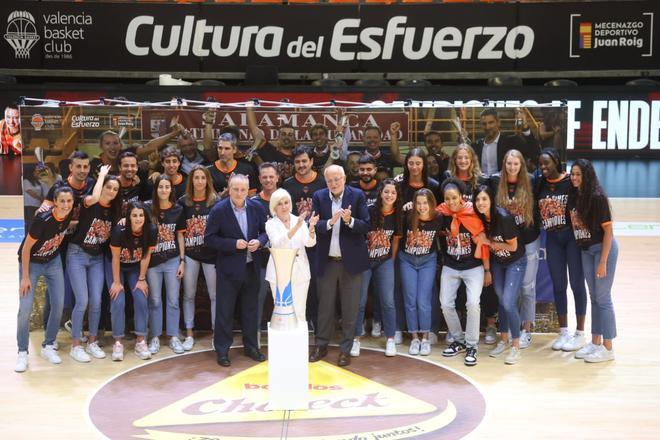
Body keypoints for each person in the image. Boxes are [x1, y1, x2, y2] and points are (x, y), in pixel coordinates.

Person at [204, 174, 269, 367]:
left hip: (252, 267)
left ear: (248, 190)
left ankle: (251, 347)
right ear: (229, 189)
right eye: (235, 189)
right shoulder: (219, 210)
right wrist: (233, 244)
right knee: (225, 311)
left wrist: (260, 241)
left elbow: (267, 231)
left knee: (250, 310)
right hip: (228, 270)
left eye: (243, 190)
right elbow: (209, 239)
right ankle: (222, 350)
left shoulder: (257, 207)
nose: (239, 193)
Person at [310, 165, 370, 367]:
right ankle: (321, 345)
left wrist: (349, 220)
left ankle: (345, 349)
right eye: (329, 180)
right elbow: (315, 226)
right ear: (325, 181)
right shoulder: (318, 196)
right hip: (327, 261)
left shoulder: (358, 195)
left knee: (350, 309)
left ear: (344, 178)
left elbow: (366, 225)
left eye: (337, 179)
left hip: (351, 262)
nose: (333, 184)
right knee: (324, 307)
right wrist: (329, 223)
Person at [15, 187, 74, 372]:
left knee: (58, 304)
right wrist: (25, 277)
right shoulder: (42, 219)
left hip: (53, 261)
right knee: (25, 308)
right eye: (62, 201)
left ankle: (48, 346)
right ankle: (22, 352)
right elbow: (25, 249)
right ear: (54, 202)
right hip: (31, 263)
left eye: (69, 201)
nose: (66, 205)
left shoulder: (68, 215)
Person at [442, 144, 496, 342]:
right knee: (457, 294)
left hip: (478, 238)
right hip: (457, 243)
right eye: (459, 158)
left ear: (472, 160)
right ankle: (457, 329)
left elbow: (487, 205)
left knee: (485, 289)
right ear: (454, 160)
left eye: (467, 158)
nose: (463, 161)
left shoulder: (481, 181)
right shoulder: (448, 180)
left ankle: (490, 325)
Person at [67, 166, 121, 363]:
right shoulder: (90, 201)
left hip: (97, 257)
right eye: (109, 188)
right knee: (82, 301)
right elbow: (95, 197)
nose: (112, 192)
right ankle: (75, 345)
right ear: (102, 187)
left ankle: (92, 341)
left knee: (97, 301)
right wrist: (102, 176)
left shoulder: (114, 212)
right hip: (78, 254)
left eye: (115, 190)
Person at [536, 148, 587, 351]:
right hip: (553, 239)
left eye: (546, 163)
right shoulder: (540, 183)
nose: (543, 167)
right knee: (558, 285)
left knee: (576, 283)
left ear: (556, 162)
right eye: (540, 164)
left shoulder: (570, 182)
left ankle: (580, 333)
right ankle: (563, 331)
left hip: (572, 237)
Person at [568, 159, 618, 363]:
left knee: (603, 297)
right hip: (586, 250)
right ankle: (595, 342)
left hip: (602, 250)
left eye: (579, 174)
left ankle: (608, 347)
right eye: (572, 174)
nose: (574, 178)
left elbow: (608, 232)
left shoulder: (597, 198)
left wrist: (603, 261)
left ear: (587, 175)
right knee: (594, 296)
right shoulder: (575, 196)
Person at [436, 178, 490, 367]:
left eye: (454, 198)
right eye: (447, 198)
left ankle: (472, 345)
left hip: (473, 266)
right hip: (450, 265)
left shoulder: (472, 213)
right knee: (445, 303)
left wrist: (487, 269)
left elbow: (483, 243)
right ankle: (458, 340)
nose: (451, 202)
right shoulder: (440, 213)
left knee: (473, 303)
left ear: (461, 197)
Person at [492, 149, 540, 348]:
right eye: (509, 164)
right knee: (507, 294)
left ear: (521, 165)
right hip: (507, 243)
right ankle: (509, 331)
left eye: (516, 164)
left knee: (527, 288)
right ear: (504, 164)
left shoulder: (531, 181)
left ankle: (526, 329)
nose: (512, 167)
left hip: (528, 240)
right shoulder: (495, 182)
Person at [473, 185, 527, 365]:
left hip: (515, 261)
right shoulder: (480, 219)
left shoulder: (503, 218)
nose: (481, 203)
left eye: (484, 199)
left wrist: (489, 242)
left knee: (508, 302)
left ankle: (516, 346)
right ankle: (503, 340)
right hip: (498, 263)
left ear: (491, 201)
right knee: (501, 301)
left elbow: (512, 247)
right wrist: (487, 268)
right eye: (478, 199)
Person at [352, 179, 402, 358]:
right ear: (381, 193)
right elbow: (359, 234)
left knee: (388, 301)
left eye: (393, 193)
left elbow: (395, 239)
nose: (390, 195)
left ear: (397, 196)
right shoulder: (370, 211)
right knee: (360, 301)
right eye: (386, 192)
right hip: (365, 261)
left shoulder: (397, 215)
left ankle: (390, 338)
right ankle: (356, 338)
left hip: (384, 260)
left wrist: (390, 259)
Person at [107, 201, 157, 362]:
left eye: (141, 215)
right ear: (128, 217)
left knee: (141, 298)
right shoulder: (119, 230)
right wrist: (116, 282)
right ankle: (118, 342)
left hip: (135, 267)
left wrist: (142, 279)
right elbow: (115, 257)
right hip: (117, 267)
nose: (138, 218)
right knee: (118, 299)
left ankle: (140, 341)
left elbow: (146, 255)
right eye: (134, 215)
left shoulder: (151, 230)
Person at [179, 166, 219, 351]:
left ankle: (215, 333)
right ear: (191, 180)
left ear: (208, 180)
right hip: (190, 254)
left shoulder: (215, 202)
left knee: (214, 295)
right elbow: (179, 231)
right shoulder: (183, 202)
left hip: (211, 254)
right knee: (189, 294)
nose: (200, 181)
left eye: (203, 177)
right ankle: (189, 333)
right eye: (196, 177)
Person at [145, 175, 186, 355]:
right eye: (160, 187)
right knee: (154, 300)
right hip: (153, 262)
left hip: (172, 259)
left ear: (171, 189)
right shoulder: (147, 208)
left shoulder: (177, 209)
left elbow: (180, 236)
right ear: (156, 190)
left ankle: (173, 336)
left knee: (173, 300)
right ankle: (154, 336)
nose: (163, 190)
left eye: (166, 187)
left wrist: (182, 261)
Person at [399, 188, 441, 357]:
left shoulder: (438, 217)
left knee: (423, 300)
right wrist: (403, 208)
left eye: (426, 203)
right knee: (410, 299)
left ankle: (425, 338)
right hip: (407, 260)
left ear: (431, 203)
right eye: (419, 203)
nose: (422, 207)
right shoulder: (408, 216)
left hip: (427, 261)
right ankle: (414, 338)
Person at [265, 189, 318, 322]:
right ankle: (283, 343)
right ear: (274, 207)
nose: (284, 207)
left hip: (301, 271)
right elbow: (278, 244)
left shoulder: (298, 220)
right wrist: (296, 227)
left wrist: (311, 228)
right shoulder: (270, 224)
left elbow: (310, 243)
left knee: (300, 311)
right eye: (280, 203)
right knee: (282, 312)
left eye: (286, 202)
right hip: (279, 272)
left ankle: (298, 343)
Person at [251, 163, 279, 332]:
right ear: (260, 179)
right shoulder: (253, 202)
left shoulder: (285, 199)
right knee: (258, 298)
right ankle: (254, 340)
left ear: (277, 178)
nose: (268, 180)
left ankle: (283, 336)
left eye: (271, 176)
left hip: (283, 259)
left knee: (282, 301)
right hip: (261, 260)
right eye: (264, 177)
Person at [474, 108, 540, 175]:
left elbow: (534, 152)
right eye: (484, 124)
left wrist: (525, 128)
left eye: (491, 122)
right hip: (483, 184)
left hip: (503, 184)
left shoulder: (511, 142)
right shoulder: (477, 145)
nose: (487, 127)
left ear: (498, 122)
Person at [247, 107, 295, 181]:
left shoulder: (298, 156)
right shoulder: (269, 150)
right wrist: (249, 107)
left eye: (290, 135)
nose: (286, 137)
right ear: (278, 136)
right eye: (283, 134)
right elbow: (253, 128)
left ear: (294, 138)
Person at [282, 146, 327, 216]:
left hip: (317, 225)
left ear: (311, 161)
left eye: (304, 161)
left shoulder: (323, 183)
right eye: (297, 162)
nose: (301, 165)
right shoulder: (287, 184)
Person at [23, 165, 50, 229]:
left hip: (38, 205)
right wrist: (41, 199)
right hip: (29, 206)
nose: (36, 172)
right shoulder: (25, 181)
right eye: (35, 171)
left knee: (36, 222)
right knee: (30, 223)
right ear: (31, 172)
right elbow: (31, 193)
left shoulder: (37, 181)